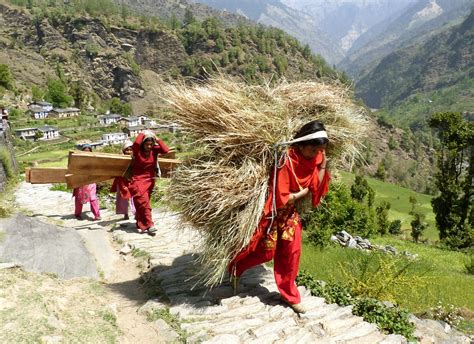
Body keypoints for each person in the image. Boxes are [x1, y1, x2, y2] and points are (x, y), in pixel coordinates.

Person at [228, 120, 330, 314]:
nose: (317, 153)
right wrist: (302, 193)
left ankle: (289, 295)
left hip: (290, 215)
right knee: (265, 252)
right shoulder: (285, 161)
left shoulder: (317, 156)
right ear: (301, 145)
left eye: (320, 150)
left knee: (292, 252)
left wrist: (323, 166)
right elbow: (283, 198)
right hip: (273, 212)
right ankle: (235, 268)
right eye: (313, 150)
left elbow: (315, 186)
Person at [128, 130, 170, 234]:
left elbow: (165, 150)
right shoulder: (137, 151)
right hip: (138, 181)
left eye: (151, 144)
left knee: (142, 205)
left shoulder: (154, 150)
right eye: (147, 144)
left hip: (150, 180)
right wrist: (143, 133)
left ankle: (141, 223)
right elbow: (136, 143)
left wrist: (156, 138)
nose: (149, 146)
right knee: (145, 203)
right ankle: (150, 224)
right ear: (143, 144)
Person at [73, 144, 101, 221]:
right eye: (85, 151)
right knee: (79, 198)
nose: (87, 152)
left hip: (91, 181)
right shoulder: (78, 160)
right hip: (80, 181)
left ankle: (97, 215)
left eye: (89, 151)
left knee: (93, 198)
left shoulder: (94, 160)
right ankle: (77, 214)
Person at [111, 140, 135, 220]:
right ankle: (125, 213)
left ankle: (136, 213)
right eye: (127, 150)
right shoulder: (120, 159)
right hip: (122, 181)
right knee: (123, 198)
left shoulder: (136, 158)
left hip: (132, 180)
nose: (129, 151)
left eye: (131, 149)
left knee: (134, 197)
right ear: (123, 151)